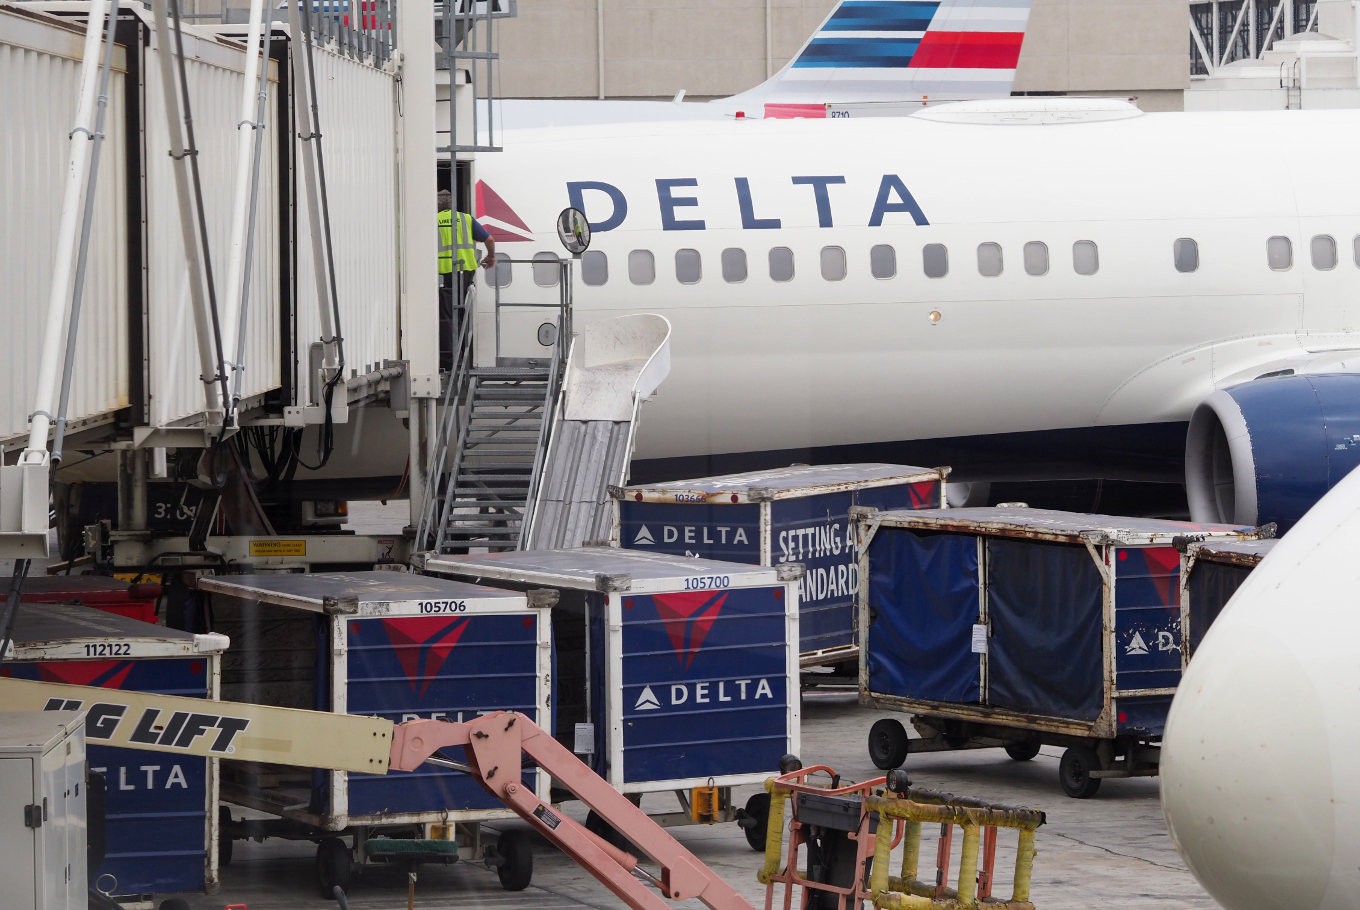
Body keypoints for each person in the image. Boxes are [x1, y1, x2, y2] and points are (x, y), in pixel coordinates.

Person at [437, 189, 496, 370]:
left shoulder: (433, 220)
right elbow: (490, 239)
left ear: (437, 205)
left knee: (446, 316)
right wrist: (491, 257)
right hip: (464, 273)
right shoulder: (466, 219)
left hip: (443, 274)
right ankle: (461, 355)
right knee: (460, 313)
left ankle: (449, 359)